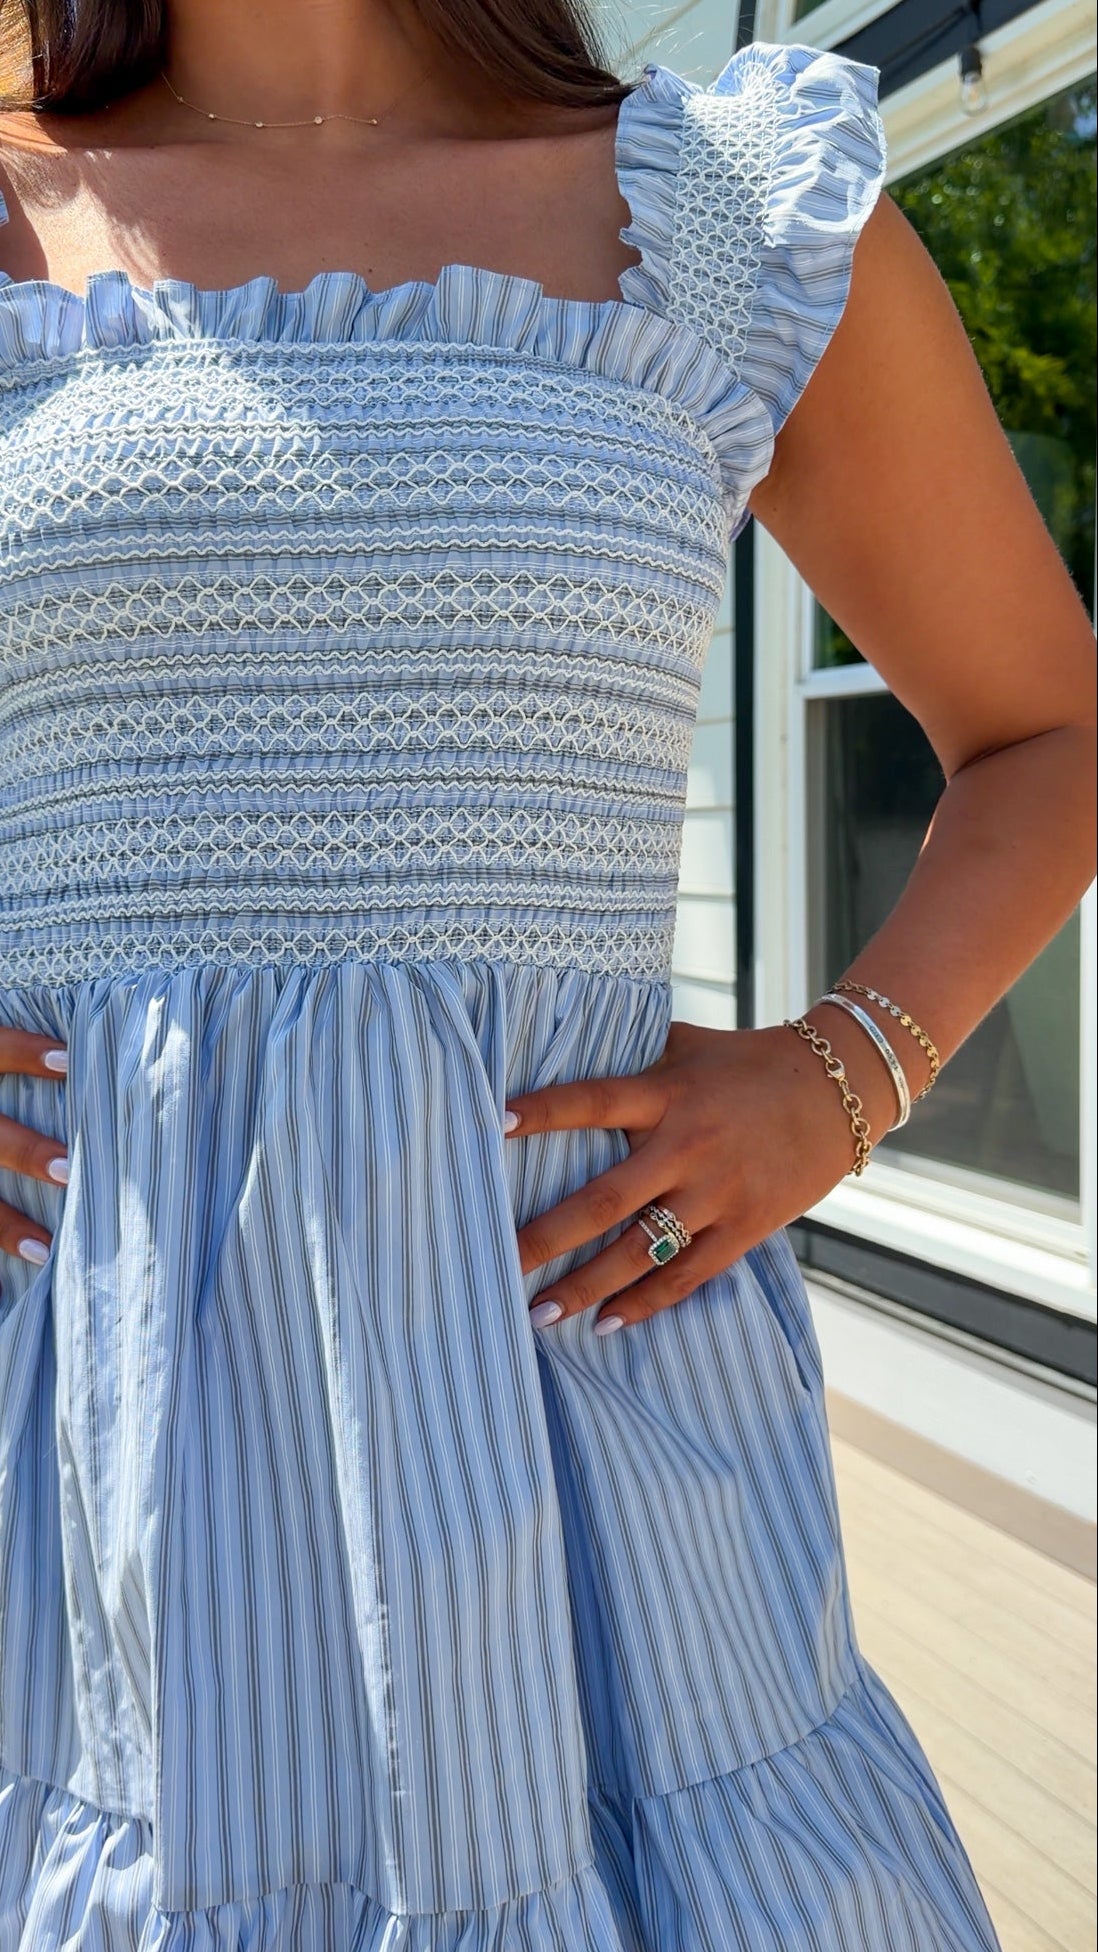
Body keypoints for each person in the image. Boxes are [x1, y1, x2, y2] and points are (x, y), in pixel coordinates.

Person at [0, 0, 1093, 1944]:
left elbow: (1048, 731)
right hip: (86, 1445)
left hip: (589, 1439)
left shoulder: (724, 220)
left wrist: (846, 1073)